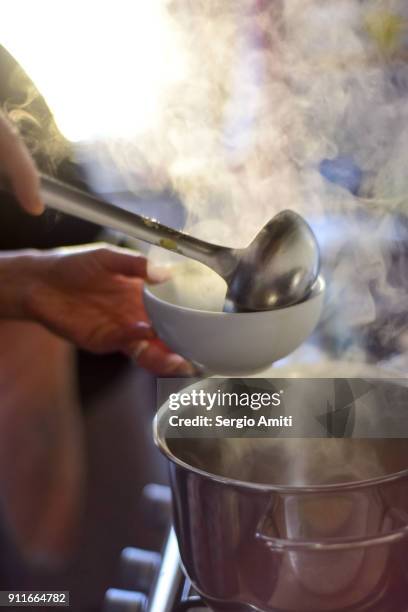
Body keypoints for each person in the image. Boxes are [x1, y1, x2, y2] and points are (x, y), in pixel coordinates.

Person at [0, 111, 193, 570]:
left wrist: (27, 282)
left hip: (90, 325)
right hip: (28, 347)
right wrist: (24, 290)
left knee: (129, 544)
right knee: (39, 585)